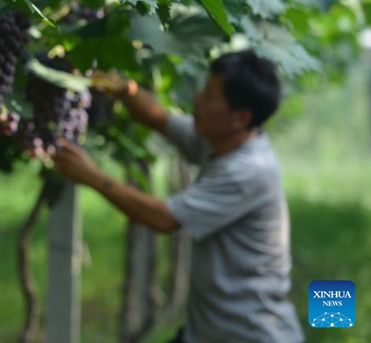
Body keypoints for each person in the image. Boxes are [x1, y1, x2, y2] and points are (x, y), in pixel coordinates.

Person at [53, 49, 304, 343]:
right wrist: (124, 90)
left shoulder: (247, 171)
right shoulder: (221, 141)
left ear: (241, 117)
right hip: (210, 333)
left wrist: (93, 177)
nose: (197, 99)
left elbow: (164, 218)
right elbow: (159, 119)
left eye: (209, 95)